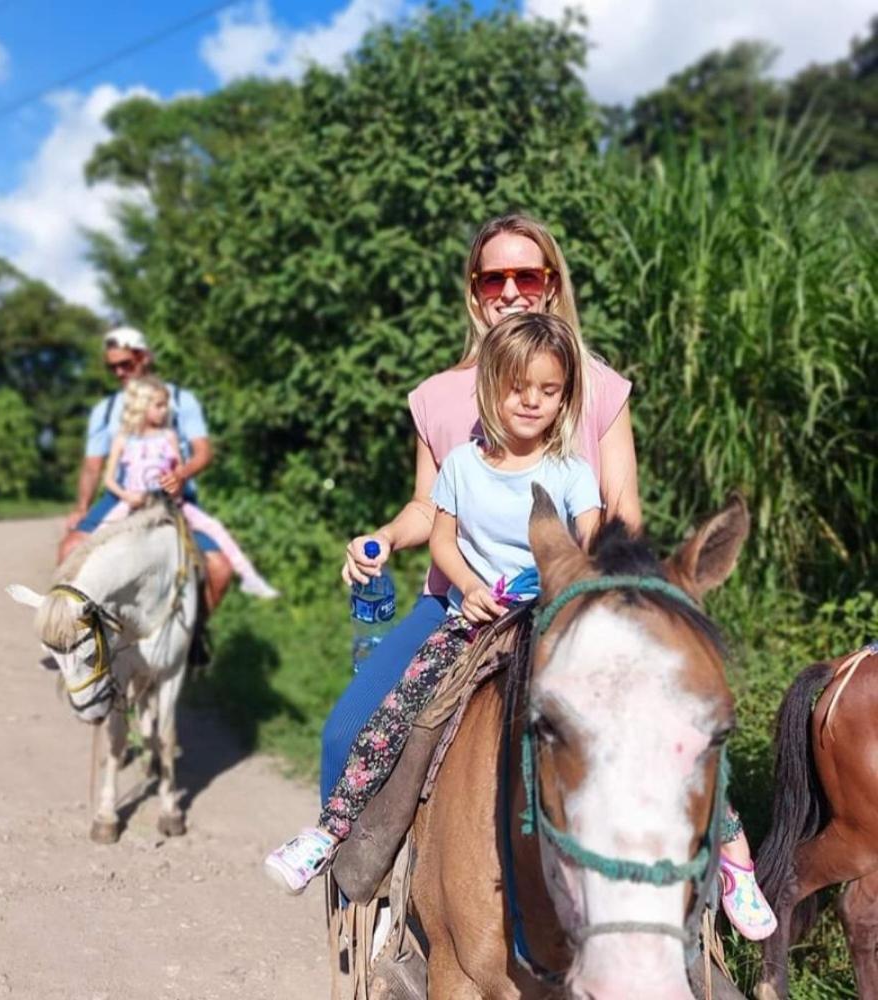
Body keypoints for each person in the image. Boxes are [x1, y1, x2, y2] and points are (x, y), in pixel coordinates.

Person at [297, 213, 775, 937]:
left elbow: (623, 512)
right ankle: (370, 892)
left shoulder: (598, 387)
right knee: (344, 733)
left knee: (672, 716)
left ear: (553, 285)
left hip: (574, 598)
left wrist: (614, 598)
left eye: (529, 276)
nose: (512, 291)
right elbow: (430, 507)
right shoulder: (437, 397)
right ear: (475, 290)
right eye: (496, 277)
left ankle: (715, 866)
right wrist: (385, 539)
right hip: (461, 601)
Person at [265, 312, 602, 893]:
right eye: (518, 388)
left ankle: (717, 846)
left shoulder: (571, 472)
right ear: (491, 387)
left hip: (547, 615)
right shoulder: (464, 466)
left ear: (565, 396)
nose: (532, 402)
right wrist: (470, 589)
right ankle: (332, 831)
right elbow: (443, 539)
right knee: (398, 710)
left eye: (548, 391)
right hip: (471, 617)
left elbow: (589, 543)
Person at [58, 326, 234, 611]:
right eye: (112, 366)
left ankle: (195, 639)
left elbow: (203, 452)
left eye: (125, 363)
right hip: (121, 497)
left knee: (219, 569)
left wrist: (180, 475)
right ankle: (78, 631)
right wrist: (82, 506)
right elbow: (93, 466)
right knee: (69, 550)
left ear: (145, 358)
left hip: (173, 499)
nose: (119, 372)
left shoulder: (179, 400)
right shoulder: (105, 409)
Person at [99, 376, 279, 599]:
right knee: (99, 537)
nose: (165, 411)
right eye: (159, 405)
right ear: (142, 406)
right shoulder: (123, 439)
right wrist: (127, 496)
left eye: (165, 405)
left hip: (168, 503)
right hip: (134, 503)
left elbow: (178, 470)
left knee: (215, 528)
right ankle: (87, 589)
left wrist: (176, 486)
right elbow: (108, 479)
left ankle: (250, 578)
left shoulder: (169, 436)